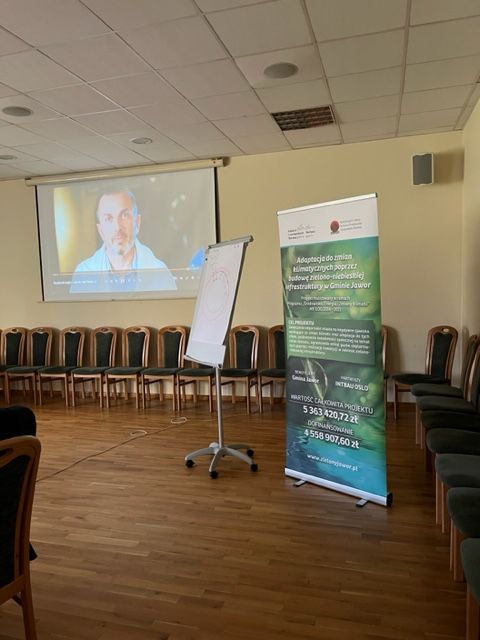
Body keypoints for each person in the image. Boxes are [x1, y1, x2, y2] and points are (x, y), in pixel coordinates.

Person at [70, 190, 177, 293]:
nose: (117, 227)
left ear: (137, 223)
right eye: (108, 218)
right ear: (100, 230)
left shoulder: (161, 273)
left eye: (124, 215)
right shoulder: (83, 274)